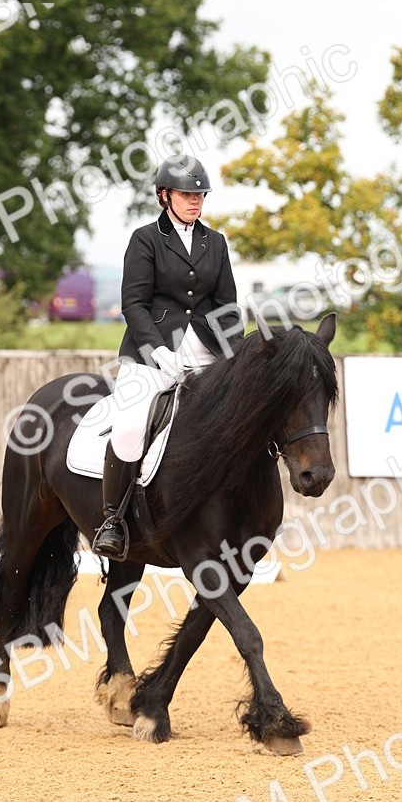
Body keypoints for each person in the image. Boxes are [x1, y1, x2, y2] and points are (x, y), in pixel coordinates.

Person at [91, 154, 244, 560]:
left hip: (207, 353)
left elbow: (226, 305)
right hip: (150, 353)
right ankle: (113, 521)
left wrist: (237, 354)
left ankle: (243, 518)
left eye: (200, 195)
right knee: (127, 427)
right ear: (165, 195)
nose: (195, 201)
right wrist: (156, 348)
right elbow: (133, 303)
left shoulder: (217, 242)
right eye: (186, 194)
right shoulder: (145, 239)